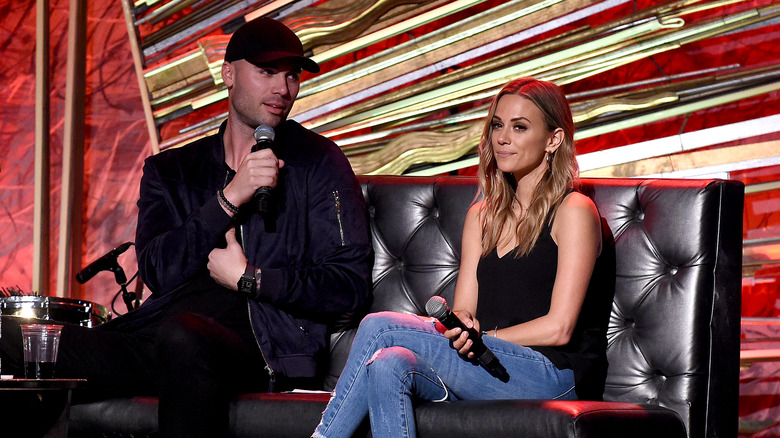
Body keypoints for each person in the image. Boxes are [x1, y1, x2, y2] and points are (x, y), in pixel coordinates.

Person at [0, 17, 373, 438]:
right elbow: (158, 271)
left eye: (292, 76)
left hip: (259, 348)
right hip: (152, 341)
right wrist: (229, 197)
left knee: (184, 336)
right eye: (267, 72)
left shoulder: (317, 162)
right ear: (228, 74)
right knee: (7, 336)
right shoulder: (172, 170)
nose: (282, 89)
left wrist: (250, 280)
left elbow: (348, 286)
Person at [312, 77, 610, 438]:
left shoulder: (575, 210)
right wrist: (465, 326)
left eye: (520, 127)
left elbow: (559, 328)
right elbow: (465, 311)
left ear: (553, 140)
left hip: (552, 374)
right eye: (497, 125)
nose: (502, 138)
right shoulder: (482, 215)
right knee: (388, 364)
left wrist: (486, 338)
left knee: (380, 327)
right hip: (486, 365)